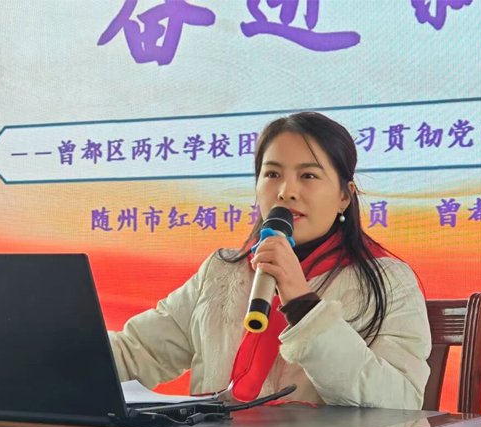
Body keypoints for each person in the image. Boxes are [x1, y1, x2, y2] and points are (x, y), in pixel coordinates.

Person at [109, 112, 431, 409]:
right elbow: (136, 354)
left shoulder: (389, 281)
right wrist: (78, 343)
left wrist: (304, 306)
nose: (286, 191)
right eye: (273, 174)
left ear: (344, 197)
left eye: (308, 175)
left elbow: (401, 404)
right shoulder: (222, 271)